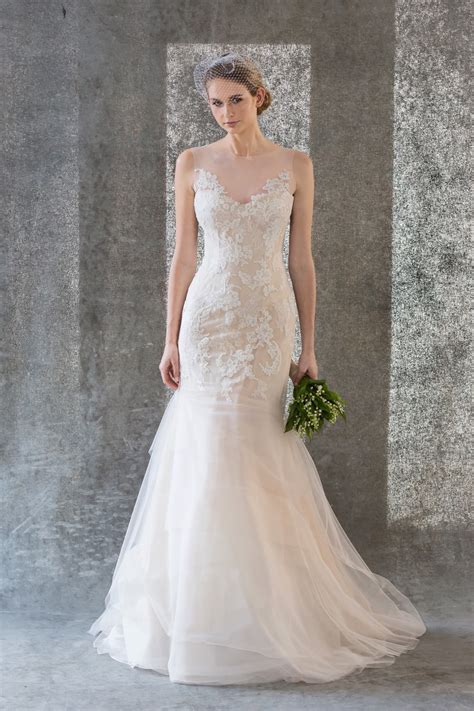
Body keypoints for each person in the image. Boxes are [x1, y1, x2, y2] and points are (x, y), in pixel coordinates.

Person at [88, 52, 426, 685]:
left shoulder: (296, 165)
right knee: (207, 448)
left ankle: (270, 615)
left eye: (235, 100)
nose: (225, 112)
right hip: (208, 322)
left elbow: (301, 260)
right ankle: (198, 615)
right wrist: (170, 339)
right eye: (215, 103)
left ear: (260, 96)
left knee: (259, 450)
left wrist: (309, 347)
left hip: (266, 322)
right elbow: (184, 257)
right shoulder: (192, 162)